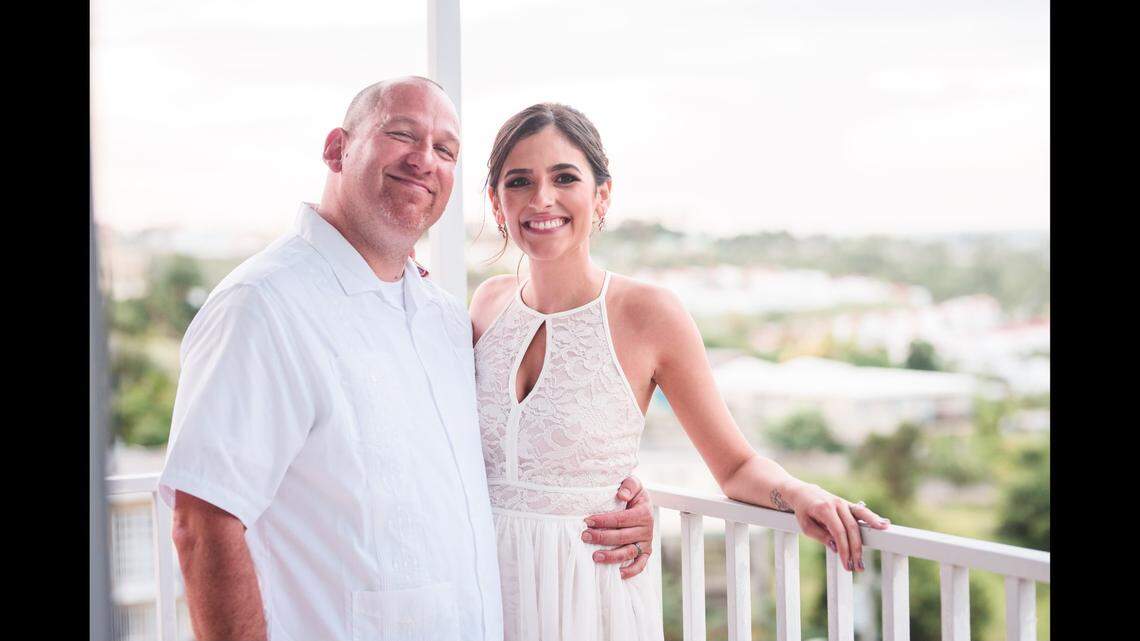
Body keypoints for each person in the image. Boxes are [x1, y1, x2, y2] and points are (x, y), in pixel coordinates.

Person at [157, 77, 654, 641]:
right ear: (336, 149)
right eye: (402, 135)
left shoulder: (442, 318)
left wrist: (615, 496)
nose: (424, 160)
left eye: (445, 150)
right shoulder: (264, 305)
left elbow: (502, 460)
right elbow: (203, 522)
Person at [469, 103, 893, 641]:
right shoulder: (485, 305)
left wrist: (800, 494)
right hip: (481, 585)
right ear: (496, 201)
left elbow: (734, 465)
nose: (541, 199)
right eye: (519, 181)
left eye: (565, 178)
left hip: (589, 598)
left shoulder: (649, 312)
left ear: (601, 195)